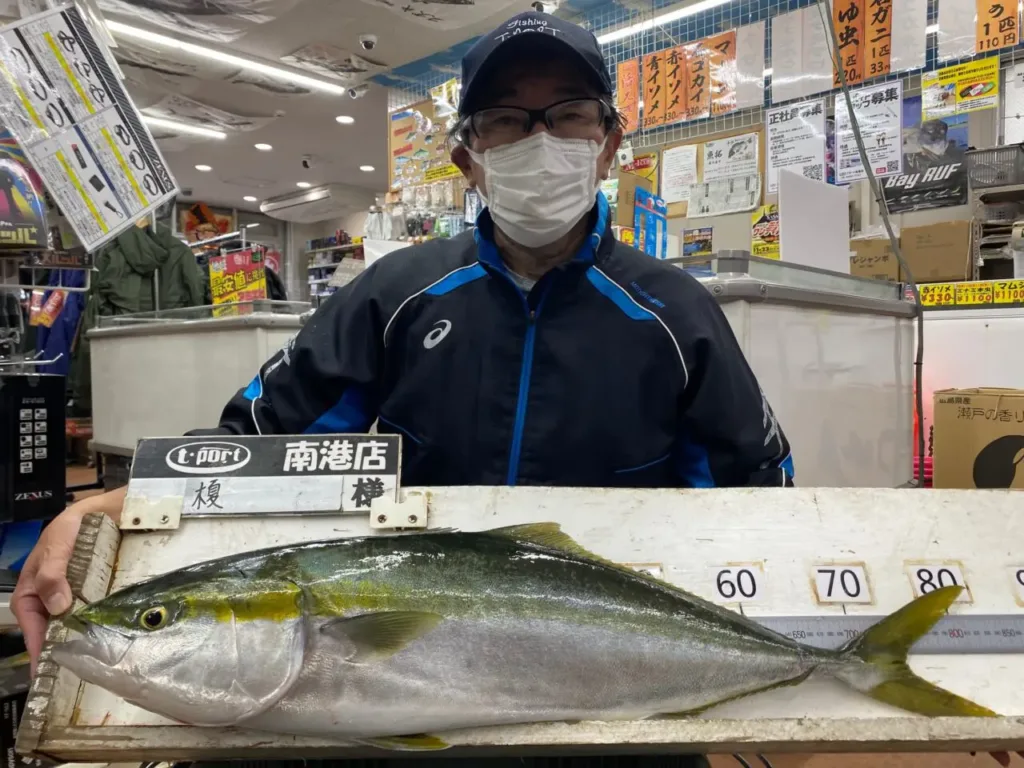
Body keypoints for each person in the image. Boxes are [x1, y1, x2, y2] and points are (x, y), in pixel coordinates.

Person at [14, 11, 792, 764]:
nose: (540, 139)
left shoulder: (675, 315)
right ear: (467, 157)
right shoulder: (394, 296)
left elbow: (758, 489)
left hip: (619, 681)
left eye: (569, 114)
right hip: (407, 687)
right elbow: (260, 438)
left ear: (609, 142)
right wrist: (114, 504)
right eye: (506, 121)